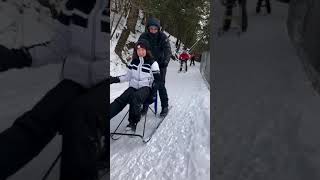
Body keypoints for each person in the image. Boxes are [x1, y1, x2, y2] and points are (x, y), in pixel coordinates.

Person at [0, 0, 109, 179]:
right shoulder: (76, 4)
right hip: (77, 78)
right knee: (41, 116)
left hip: (108, 80)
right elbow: (58, 47)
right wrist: (17, 57)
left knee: (80, 114)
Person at [109, 40, 161, 132]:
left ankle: (133, 122)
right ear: (136, 51)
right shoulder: (133, 62)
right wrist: (113, 79)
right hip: (133, 87)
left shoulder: (153, 63)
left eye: (143, 50)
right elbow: (127, 77)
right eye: (138, 50)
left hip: (146, 89)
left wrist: (153, 95)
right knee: (122, 99)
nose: (140, 52)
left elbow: (157, 81)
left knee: (135, 97)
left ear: (147, 50)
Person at [138, 17, 172, 117]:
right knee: (146, 84)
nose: (153, 30)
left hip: (160, 64)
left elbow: (168, 50)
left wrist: (166, 61)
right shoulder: (144, 36)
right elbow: (138, 48)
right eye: (151, 28)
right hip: (147, 63)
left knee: (160, 84)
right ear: (148, 28)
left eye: (155, 29)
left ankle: (165, 106)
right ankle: (145, 105)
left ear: (158, 29)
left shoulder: (163, 37)